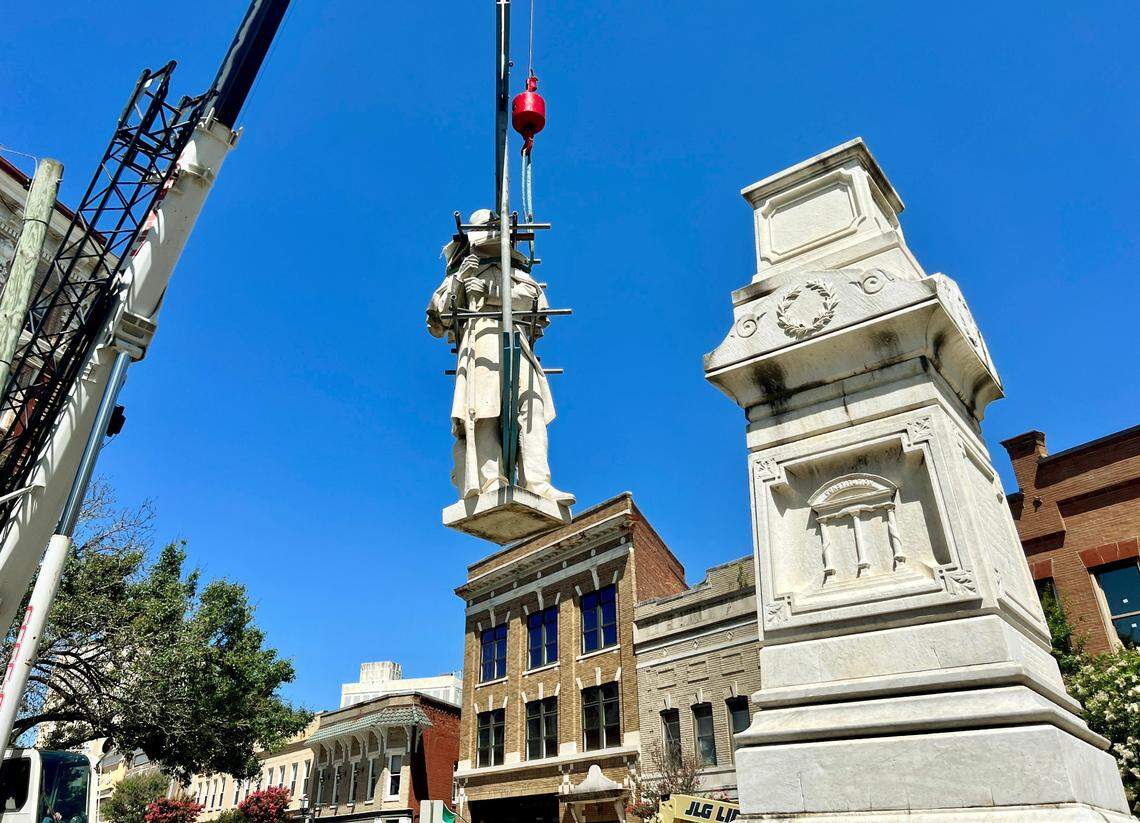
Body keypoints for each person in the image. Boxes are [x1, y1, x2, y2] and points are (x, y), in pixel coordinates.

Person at [427, 209, 574, 506]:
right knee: (484, 410)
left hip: (517, 343)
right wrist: (462, 283)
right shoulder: (460, 272)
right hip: (479, 344)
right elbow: (437, 319)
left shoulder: (520, 275)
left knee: (530, 408)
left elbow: (539, 309)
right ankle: (491, 478)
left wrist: (492, 291)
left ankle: (538, 482)